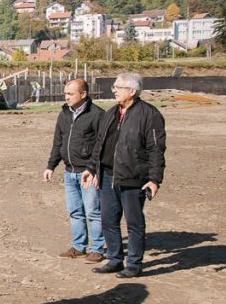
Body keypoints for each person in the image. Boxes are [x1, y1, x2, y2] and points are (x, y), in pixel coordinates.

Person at [82, 73, 166, 279]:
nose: (114, 90)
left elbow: (156, 149)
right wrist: (92, 168)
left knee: (134, 223)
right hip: (108, 175)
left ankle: (134, 265)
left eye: (118, 87)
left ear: (132, 91)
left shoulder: (149, 114)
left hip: (134, 178)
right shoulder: (110, 113)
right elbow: (99, 145)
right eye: (114, 87)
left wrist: (154, 179)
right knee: (109, 219)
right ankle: (115, 259)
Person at [43, 79, 106, 263]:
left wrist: (93, 170)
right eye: (65, 94)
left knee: (93, 212)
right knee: (75, 211)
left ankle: (97, 249)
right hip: (69, 172)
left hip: (88, 172)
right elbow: (58, 142)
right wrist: (50, 166)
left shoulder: (97, 115)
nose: (66, 97)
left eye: (70, 94)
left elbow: (101, 146)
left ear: (84, 94)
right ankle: (79, 246)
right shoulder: (64, 114)